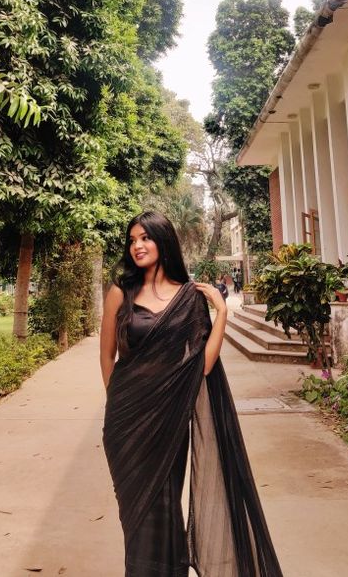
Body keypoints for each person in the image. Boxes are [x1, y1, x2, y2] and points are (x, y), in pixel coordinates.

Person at [100, 210, 283, 577]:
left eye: (145, 238)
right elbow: (107, 356)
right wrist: (121, 404)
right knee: (135, 517)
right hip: (126, 426)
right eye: (132, 240)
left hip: (169, 423)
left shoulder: (189, 299)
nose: (137, 246)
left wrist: (221, 314)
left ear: (163, 241)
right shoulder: (120, 292)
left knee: (165, 507)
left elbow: (203, 366)